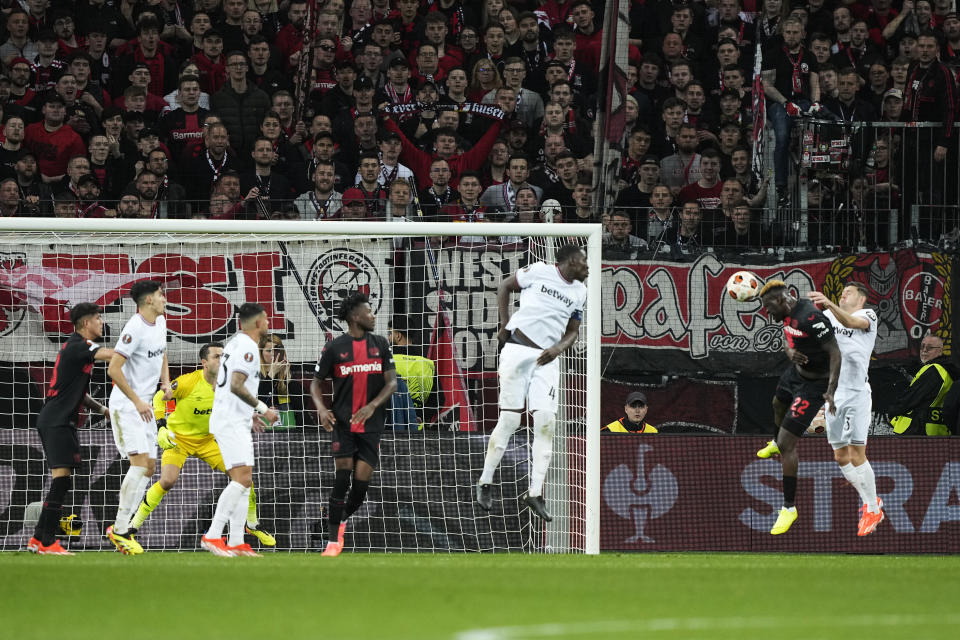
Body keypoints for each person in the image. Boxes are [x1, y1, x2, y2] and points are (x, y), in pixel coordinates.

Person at [476, 245, 589, 521]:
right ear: (568, 262)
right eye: (583, 262)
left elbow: (573, 331)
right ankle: (485, 481)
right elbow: (504, 285)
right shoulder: (538, 271)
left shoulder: (580, 292)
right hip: (518, 349)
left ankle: (535, 492)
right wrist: (504, 322)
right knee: (511, 421)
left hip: (547, 359)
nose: (587, 267)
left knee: (546, 422)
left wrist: (558, 349)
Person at [128, 343, 276, 548]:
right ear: (204, 362)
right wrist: (161, 428)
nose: (222, 360)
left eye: (224, 356)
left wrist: (250, 417)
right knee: (167, 481)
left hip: (208, 440)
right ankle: (131, 528)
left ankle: (252, 523)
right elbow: (158, 399)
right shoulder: (188, 382)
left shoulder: (227, 383)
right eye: (217, 356)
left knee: (243, 477)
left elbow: (233, 406)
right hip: (178, 439)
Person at [311, 292, 398, 556]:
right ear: (354, 316)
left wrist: (372, 405)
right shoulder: (335, 348)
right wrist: (322, 409)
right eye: (369, 311)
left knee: (360, 487)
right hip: (343, 423)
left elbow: (392, 382)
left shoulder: (381, 344)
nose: (373, 315)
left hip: (372, 425)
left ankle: (335, 515)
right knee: (343, 474)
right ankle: (332, 541)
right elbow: (315, 383)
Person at [27, 303, 114, 555]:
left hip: (58, 419)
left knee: (63, 481)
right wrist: (139, 347)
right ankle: (47, 542)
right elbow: (111, 355)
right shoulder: (80, 346)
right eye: (98, 318)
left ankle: (38, 539)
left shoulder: (75, 350)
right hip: (56, 420)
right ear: (86, 323)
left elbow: (79, 394)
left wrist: (103, 410)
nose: (101, 323)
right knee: (61, 481)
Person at [757, 280, 841, 536]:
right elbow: (788, 338)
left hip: (814, 386)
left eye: (768, 307)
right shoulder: (786, 314)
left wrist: (831, 389)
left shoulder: (810, 317)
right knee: (776, 402)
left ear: (782, 301)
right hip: (795, 374)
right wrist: (789, 353)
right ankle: (774, 441)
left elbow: (836, 353)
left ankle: (788, 507)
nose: (767, 312)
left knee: (787, 444)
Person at [201, 303, 279, 557]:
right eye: (266, 319)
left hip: (234, 418)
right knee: (243, 479)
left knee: (244, 482)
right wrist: (263, 408)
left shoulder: (235, 343)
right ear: (258, 323)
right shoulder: (247, 347)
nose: (268, 323)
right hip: (230, 421)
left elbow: (220, 385)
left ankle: (236, 541)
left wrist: (250, 414)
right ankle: (213, 535)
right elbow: (235, 385)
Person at [807, 284, 884, 536]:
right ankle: (868, 501)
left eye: (848, 292)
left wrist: (828, 303)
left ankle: (873, 508)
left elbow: (851, 323)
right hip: (835, 394)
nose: (843, 294)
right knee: (841, 457)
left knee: (857, 453)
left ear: (861, 298)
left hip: (858, 394)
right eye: (842, 292)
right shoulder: (828, 316)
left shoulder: (868, 316)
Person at [105, 280, 172, 555]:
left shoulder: (161, 322)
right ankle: (120, 530)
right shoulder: (134, 328)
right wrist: (136, 401)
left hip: (145, 404)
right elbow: (113, 369)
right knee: (138, 465)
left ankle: (122, 528)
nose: (164, 299)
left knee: (149, 467)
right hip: (127, 405)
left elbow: (162, 352)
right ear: (147, 301)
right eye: (160, 295)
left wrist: (165, 382)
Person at [889, 333, 956, 436]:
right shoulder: (947, 371)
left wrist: (893, 411)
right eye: (922, 346)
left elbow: (913, 396)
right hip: (936, 430)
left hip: (917, 429)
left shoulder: (935, 370)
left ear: (940, 351)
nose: (924, 350)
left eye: (929, 347)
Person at [259, 334, 308, 430]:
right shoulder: (255, 373)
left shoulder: (286, 372)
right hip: (262, 431)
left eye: (276, 351)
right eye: (269, 351)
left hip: (288, 430)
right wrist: (271, 374)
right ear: (261, 353)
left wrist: (287, 378)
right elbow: (258, 400)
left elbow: (301, 404)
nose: (273, 354)